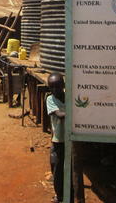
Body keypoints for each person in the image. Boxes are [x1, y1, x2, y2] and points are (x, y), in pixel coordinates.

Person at [46, 72, 66, 203]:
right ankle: (59, 195)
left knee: (69, 167)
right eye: (51, 87)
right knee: (57, 168)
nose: (54, 90)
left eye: (57, 87)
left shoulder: (69, 96)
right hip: (58, 140)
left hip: (70, 139)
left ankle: (69, 192)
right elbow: (59, 114)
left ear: (63, 85)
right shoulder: (50, 99)